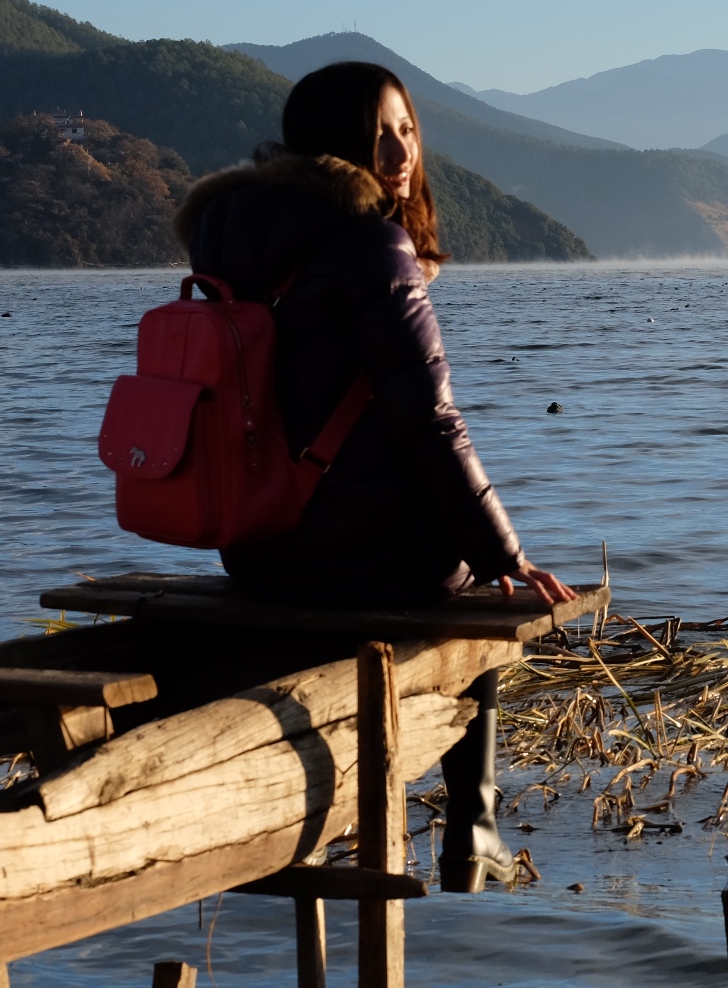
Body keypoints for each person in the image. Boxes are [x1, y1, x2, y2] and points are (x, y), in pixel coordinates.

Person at [172, 60, 575, 890]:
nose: (397, 148)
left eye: (407, 128)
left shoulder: (230, 237)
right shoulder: (371, 246)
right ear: (333, 146)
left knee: (452, 552)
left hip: (257, 547)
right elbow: (431, 422)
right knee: (475, 588)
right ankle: (477, 826)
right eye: (377, 131)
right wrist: (506, 555)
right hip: (364, 558)